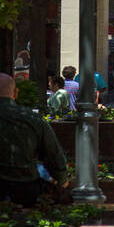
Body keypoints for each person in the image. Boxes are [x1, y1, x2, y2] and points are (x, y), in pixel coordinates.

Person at [0, 73, 68, 205]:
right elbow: (53, 154)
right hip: (24, 187)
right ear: (15, 93)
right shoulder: (32, 119)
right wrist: (62, 180)